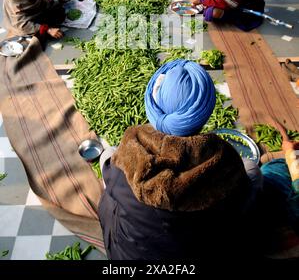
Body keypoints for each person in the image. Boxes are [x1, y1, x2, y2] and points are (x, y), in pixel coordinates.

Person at [98, 59, 263, 262]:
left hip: (130, 256)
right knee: (252, 169)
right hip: (206, 251)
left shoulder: (128, 154)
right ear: (206, 112)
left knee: (109, 156)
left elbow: (114, 174)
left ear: (154, 106)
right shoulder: (226, 161)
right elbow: (239, 199)